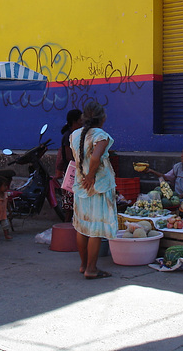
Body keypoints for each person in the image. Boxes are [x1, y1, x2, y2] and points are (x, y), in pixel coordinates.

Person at [70, 101, 117, 279]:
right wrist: (91, 175)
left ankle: (83, 265)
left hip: (81, 186)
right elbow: (96, 157)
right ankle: (91, 269)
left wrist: (86, 176)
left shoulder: (75, 135)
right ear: (102, 118)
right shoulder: (101, 135)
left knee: (82, 227)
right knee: (95, 230)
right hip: (97, 186)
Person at [55, 109, 83, 221]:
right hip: (71, 174)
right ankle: (66, 230)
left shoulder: (78, 135)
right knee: (70, 207)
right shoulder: (68, 136)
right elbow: (69, 157)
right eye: (81, 120)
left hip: (78, 172)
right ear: (75, 121)